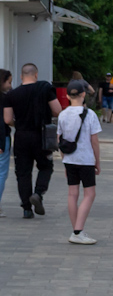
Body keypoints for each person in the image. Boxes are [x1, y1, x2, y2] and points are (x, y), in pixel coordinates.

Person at [5, 64, 62, 219]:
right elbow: (57, 110)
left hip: (21, 136)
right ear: (36, 75)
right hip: (41, 136)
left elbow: (8, 119)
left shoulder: (12, 94)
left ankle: (26, 209)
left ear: (21, 76)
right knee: (45, 166)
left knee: (23, 173)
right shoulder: (45, 88)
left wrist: (20, 124)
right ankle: (38, 193)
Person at [58, 80, 102, 245]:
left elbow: (59, 140)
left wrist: (64, 160)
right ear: (83, 94)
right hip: (86, 159)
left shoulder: (62, 114)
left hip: (70, 160)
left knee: (72, 194)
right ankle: (78, 231)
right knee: (90, 194)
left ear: (68, 96)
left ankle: (77, 229)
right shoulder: (90, 115)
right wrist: (98, 162)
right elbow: (95, 141)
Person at [0, 70, 10, 217]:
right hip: (2, 138)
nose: (10, 85)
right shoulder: (3, 99)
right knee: (2, 173)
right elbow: (2, 123)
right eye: (9, 81)